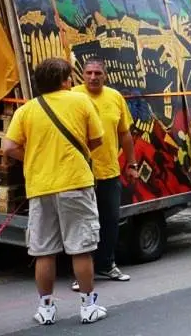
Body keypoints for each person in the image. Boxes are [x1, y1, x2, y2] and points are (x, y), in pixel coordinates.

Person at [1, 58, 109, 325]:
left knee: (44, 251)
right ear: (63, 80)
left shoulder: (26, 110)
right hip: (75, 183)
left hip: (40, 186)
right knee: (81, 248)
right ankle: (87, 306)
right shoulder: (81, 102)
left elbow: (8, 146)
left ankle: (46, 309)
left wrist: (33, 158)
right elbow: (97, 140)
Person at [68, 58, 138, 292]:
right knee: (83, 225)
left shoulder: (115, 97)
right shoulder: (72, 96)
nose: (93, 77)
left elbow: (125, 134)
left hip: (109, 171)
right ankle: (82, 273)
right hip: (80, 174)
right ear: (82, 75)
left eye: (98, 72)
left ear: (105, 75)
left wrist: (132, 163)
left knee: (110, 221)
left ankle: (107, 264)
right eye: (89, 72)